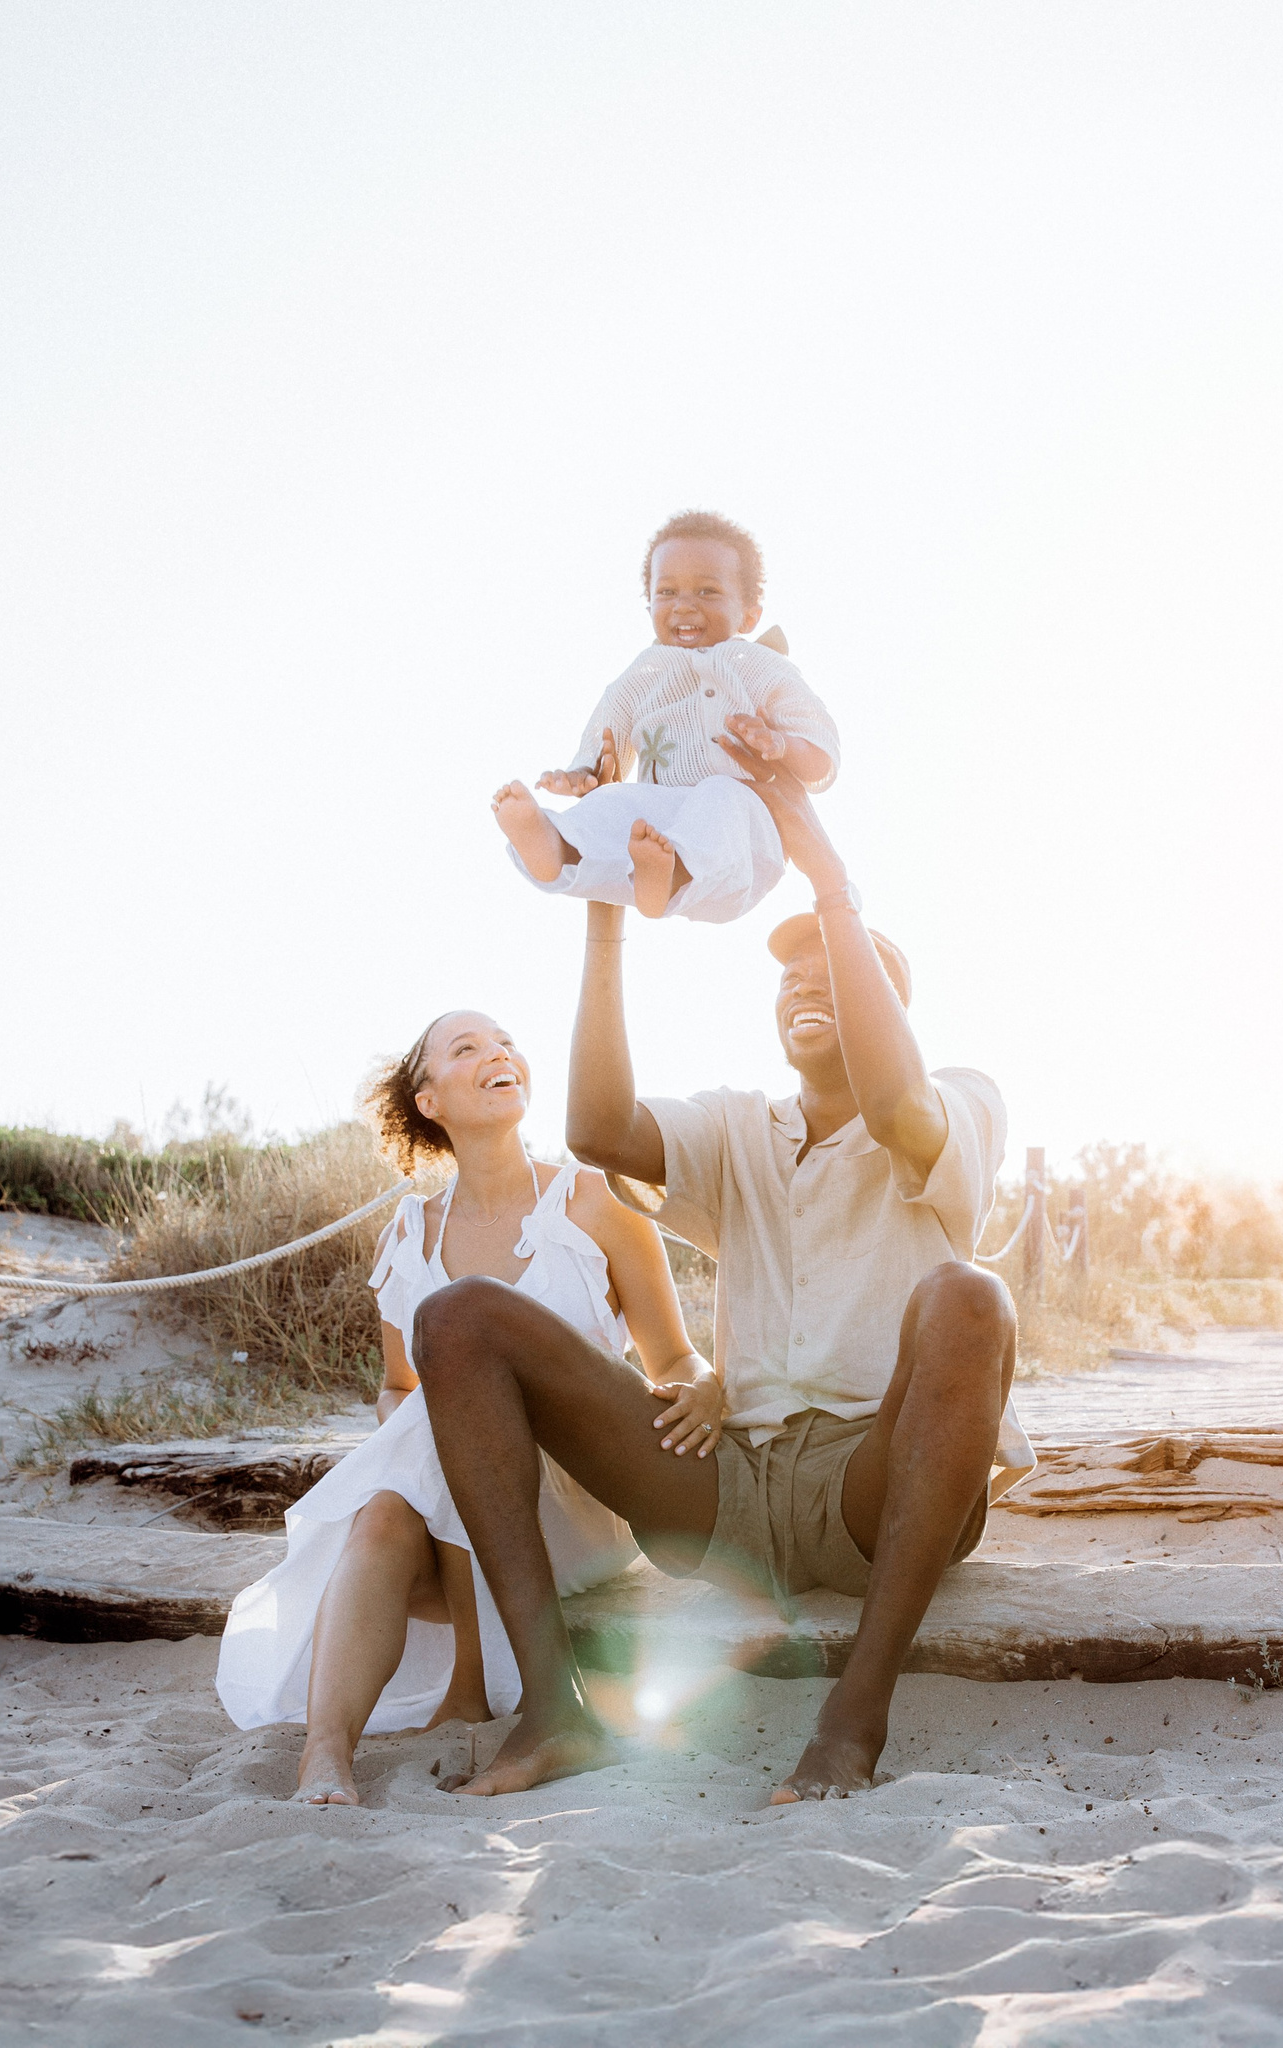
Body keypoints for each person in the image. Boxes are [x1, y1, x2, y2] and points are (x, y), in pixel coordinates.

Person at [414, 738, 1034, 1803]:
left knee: (967, 1296)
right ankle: (550, 1708)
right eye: (791, 972)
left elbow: (896, 1105)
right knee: (460, 1317)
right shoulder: (743, 1126)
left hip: (876, 1485)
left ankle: (853, 1719)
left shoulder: (957, 1098)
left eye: (840, 971)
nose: (808, 981)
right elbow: (599, 1126)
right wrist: (605, 894)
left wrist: (828, 882)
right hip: (734, 1484)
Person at [213, 1010, 719, 1806]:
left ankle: (470, 1685)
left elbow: (674, 1357)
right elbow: (397, 1391)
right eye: (468, 1047)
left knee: (439, 1432)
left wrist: (704, 1382)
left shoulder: (595, 1203)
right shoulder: (407, 1235)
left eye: (507, 1041)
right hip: (454, 1511)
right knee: (386, 1508)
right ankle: (326, 1757)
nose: (499, 1053)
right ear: (428, 1099)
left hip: (576, 1499)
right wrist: (424, 1428)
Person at [490, 509, 842, 923]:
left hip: (745, 837)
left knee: (720, 795)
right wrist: (580, 772)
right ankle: (558, 847)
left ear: (749, 614)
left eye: (707, 592)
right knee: (614, 800)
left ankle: (674, 872)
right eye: (668, 592)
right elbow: (610, 721)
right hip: (658, 826)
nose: (684, 606)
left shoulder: (760, 665)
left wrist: (780, 743)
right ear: (650, 604)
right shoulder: (648, 671)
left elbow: (821, 754)